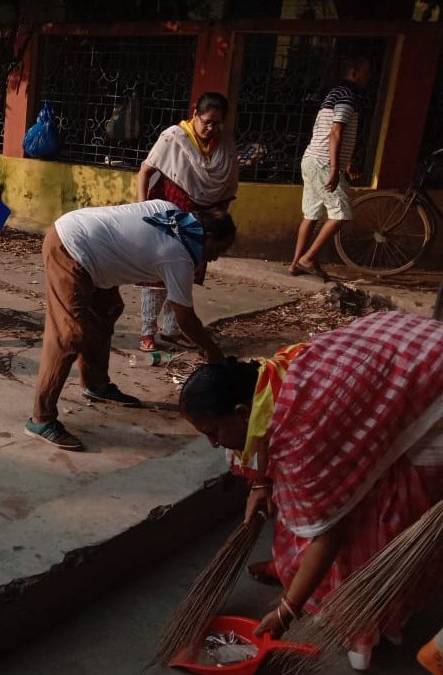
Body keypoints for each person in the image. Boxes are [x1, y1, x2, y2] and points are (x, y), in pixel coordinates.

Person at [179, 311, 443, 671]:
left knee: (382, 505)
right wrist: (260, 482)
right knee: (313, 497)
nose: (212, 444)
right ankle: (298, 573)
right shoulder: (266, 381)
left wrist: (285, 611)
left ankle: (365, 624)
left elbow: (328, 534)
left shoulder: (304, 436)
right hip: (398, 348)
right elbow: (271, 460)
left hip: (431, 384)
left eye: (213, 432)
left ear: (242, 412)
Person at [26, 200, 235, 450]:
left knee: (105, 312)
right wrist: (212, 351)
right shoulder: (178, 256)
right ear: (209, 237)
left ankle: (96, 384)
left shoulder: (171, 212)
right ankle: (41, 419)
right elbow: (185, 319)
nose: (217, 257)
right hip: (71, 247)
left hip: (91, 248)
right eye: (220, 249)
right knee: (68, 336)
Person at [136, 92, 238, 352]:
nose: (210, 128)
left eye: (216, 123)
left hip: (201, 225)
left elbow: (226, 190)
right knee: (157, 274)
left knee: (184, 275)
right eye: (206, 122)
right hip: (170, 214)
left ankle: (172, 330)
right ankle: (147, 332)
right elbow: (145, 171)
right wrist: (143, 207)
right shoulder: (173, 137)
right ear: (195, 114)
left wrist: (217, 219)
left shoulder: (224, 145)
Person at [289, 54, 373, 279]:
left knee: (311, 214)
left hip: (312, 159)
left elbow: (333, 133)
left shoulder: (335, 93)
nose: (369, 77)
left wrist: (347, 164)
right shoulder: (348, 96)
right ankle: (307, 259)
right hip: (324, 162)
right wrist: (336, 168)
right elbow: (336, 132)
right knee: (341, 213)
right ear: (353, 72)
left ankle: (296, 263)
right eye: (366, 72)